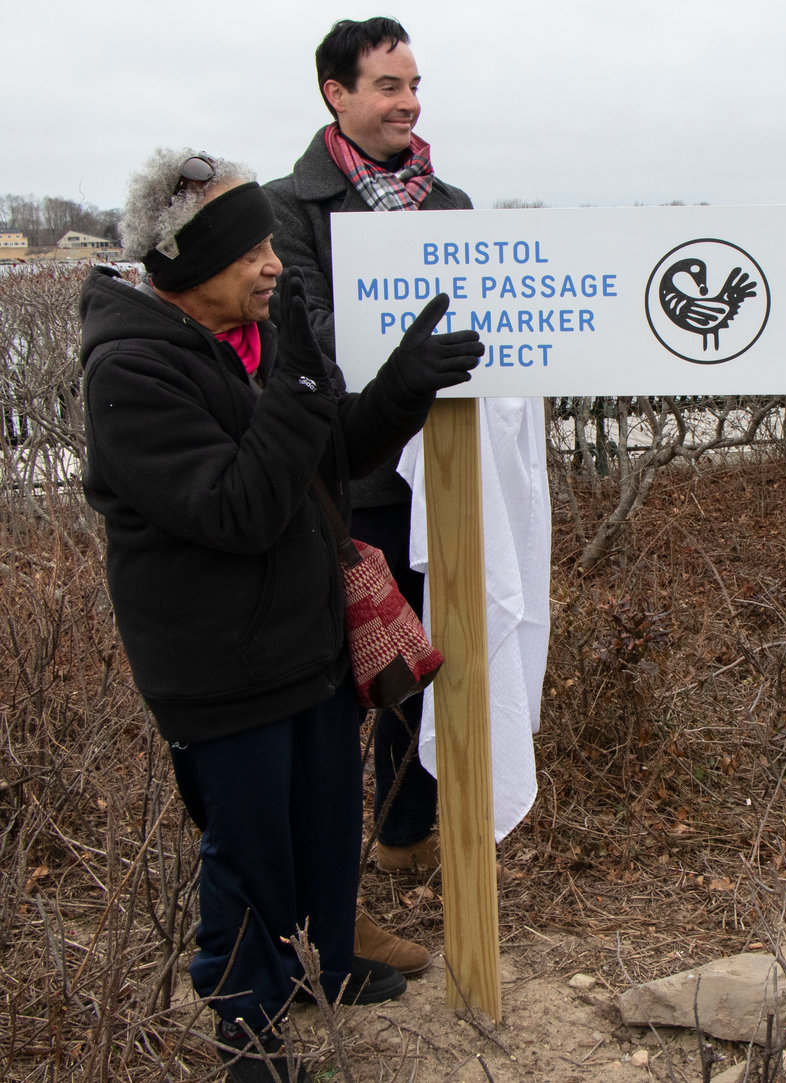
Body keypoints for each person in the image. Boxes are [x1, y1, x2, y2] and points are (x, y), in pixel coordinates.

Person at [81, 149, 481, 1081]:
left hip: (302, 646)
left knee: (324, 824)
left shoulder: (248, 347)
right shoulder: (133, 371)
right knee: (251, 854)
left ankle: (321, 965)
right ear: (185, 263)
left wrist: (402, 386)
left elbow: (323, 452)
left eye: (271, 242)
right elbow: (238, 506)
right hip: (223, 668)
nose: (274, 265)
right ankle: (248, 1037)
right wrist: (301, 383)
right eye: (250, 250)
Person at [265, 17, 470, 917]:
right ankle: (320, 887)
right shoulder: (289, 209)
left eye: (414, 83)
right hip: (347, 484)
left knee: (425, 670)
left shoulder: (450, 203)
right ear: (336, 95)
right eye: (388, 86)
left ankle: (404, 833)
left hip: (438, 479)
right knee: (340, 684)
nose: (410, 102)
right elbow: (312, 346)